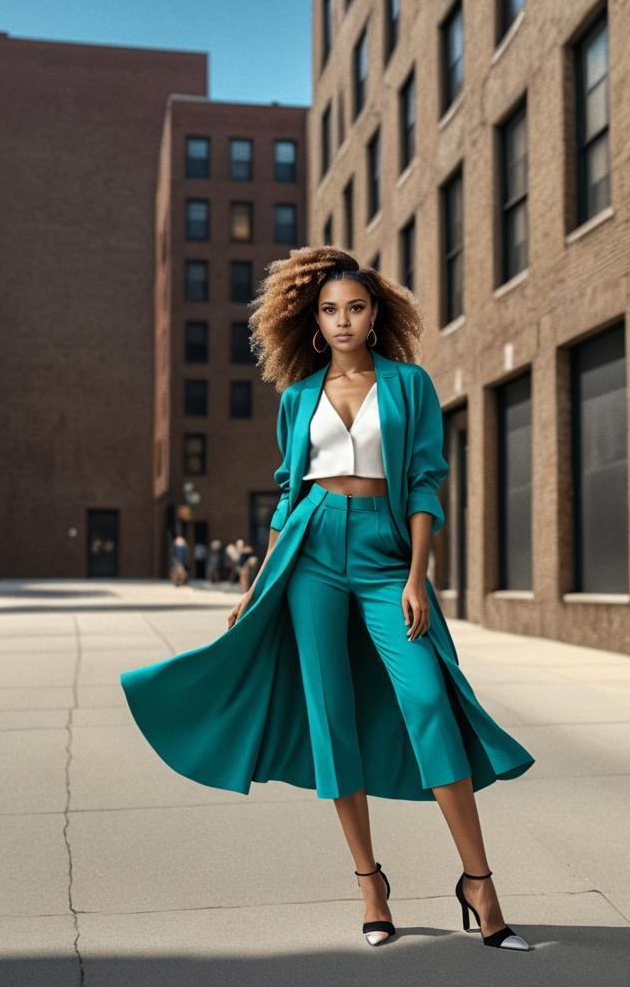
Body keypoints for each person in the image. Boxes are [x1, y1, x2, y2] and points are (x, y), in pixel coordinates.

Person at [120, 247, 534, 951]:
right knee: (330, 718)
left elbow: (428, 482)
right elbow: (289, 493)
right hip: (310, 551)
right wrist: (254, 587)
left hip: (383, 552)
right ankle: (370, 885)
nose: (344, 320)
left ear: (376, 316)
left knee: (428, 700)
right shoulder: (298, 397)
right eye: (331, 310)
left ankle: (479, 882)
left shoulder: (409, 386)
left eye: (356, 308)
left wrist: (415, 577)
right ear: (315, 322)